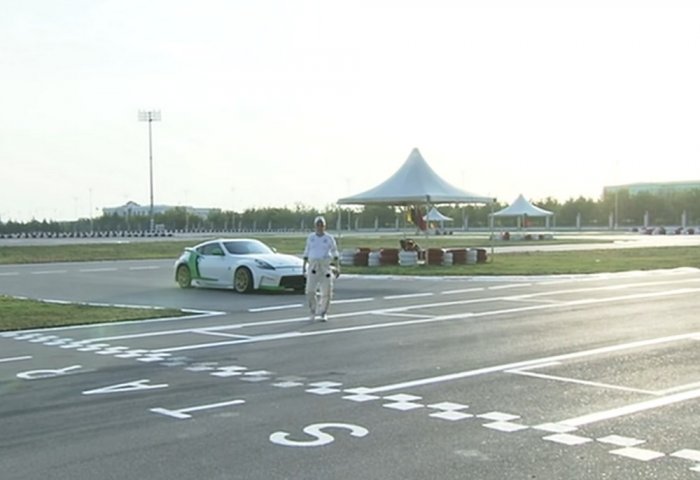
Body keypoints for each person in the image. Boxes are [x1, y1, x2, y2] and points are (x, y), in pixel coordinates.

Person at [303, 216, 340, 322]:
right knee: (310, 290)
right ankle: (313, 310)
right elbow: (306, 251)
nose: (320, 227)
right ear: (315, 226)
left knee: (327, 290)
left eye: (321, 225)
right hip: (313, 265)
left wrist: (337, 267)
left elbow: (335, 252)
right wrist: (304, 267)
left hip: (325, 265)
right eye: (318, 225)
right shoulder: (311, 237)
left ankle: (323, 311)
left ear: (324, 226)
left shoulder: (329, 238)